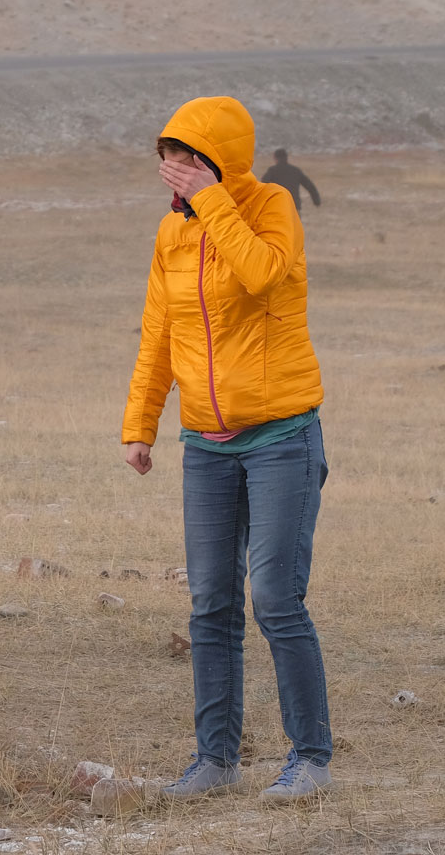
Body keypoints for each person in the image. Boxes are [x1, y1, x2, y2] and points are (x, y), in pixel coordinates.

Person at [121, 96, 332, 805]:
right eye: (168, 156)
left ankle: (311, 758)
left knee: (274, 596)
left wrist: (213, 202)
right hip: (206, 446)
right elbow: (159, 335)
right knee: (211, 602)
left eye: (187, 157)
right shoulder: (169, 236)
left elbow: (263, 275)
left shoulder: (270, 206)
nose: (172, 169)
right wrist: (140, 426)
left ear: (220, 161)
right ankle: (215, 761)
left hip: (281, 437)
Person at [261, 148, 321, 214]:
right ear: (286, 157)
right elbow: (309, 186)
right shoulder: (295, 170)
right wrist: (316, 200)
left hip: (279, 206)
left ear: (275, 158)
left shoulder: (273, 170)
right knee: (295, 224)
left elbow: (263, 185)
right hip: (294, 206)